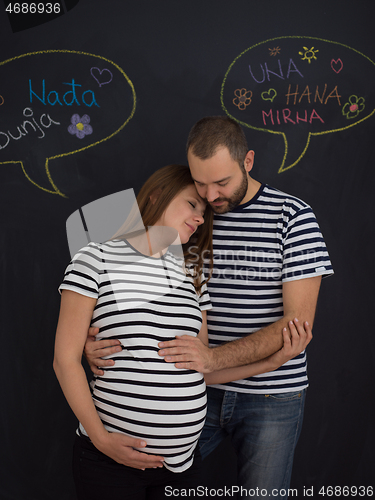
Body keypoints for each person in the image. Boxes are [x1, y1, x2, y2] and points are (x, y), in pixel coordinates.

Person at [54, 163, 312, 500]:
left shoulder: (192, 277)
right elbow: (65, 359)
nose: (201, 217)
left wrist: (273, 361)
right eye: (192, 204)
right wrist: (102, 439)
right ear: (157, 196)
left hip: (181, 468)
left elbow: (203, 370)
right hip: (109, 459)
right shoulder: (96, 258)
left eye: (204, 212)